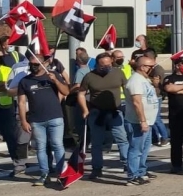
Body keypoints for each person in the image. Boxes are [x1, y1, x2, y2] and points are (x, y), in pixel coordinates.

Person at [17, 54, 70, 186]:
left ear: (43, 64)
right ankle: (44, 174)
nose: (33, 66)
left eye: (36, 64)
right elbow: (22, 103)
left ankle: (61, 173)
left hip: (55, 117)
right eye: (31, 64)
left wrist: (56, 81)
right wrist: (24, 121)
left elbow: (66, 92)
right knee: (41, 147)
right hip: (36, 120)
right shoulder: (25, 81)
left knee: (57, 145)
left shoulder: (52, 75)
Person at [76, 53, 130, 179]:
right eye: (103, 65)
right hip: (97, 113)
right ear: (97, 65)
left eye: (108, 64)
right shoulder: (89, 76)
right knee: (97, 143)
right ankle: (97, 168)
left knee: (122, 139)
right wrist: (85, 110)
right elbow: (81, 94)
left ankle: (128, 165)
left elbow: (127, 89)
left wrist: (130, 106)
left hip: (115, 111)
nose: (106, 67)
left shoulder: (118, 73)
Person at [123, 56, 161, 186]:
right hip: (138, 122)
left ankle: (141, 171)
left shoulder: (144, 79)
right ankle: (132, 176)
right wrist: (142, 121)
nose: (153, 69)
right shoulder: (135, 81)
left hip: (148, 121)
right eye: (151, 67)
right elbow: (137, 102)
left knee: (144, 148)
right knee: (136, 149)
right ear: (142, 67)